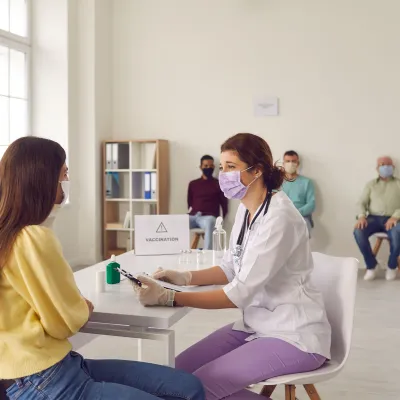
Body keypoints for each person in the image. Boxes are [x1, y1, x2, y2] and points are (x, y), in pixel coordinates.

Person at [0, 137, 205, 400]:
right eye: (64, 174)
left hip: (59, 367)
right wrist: (80, 306)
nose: (67, 181)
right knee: (189, 390)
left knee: (189, 387)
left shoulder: (11, 236)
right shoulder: (34, 238)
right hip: (48, 380)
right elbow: (67, 322)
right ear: (42, 179)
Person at [134, 133, 331, 400]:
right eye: (222, 167)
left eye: (231, 167)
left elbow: (238, 294)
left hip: (293, 333)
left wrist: (170, 298)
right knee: (174, 374)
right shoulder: (246, 209)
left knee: (197, 387)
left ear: (257, 170)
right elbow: (230, 267)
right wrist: (183, 276)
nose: (223, 174)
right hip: (256, 324)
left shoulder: (279, 217)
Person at [354, 156, 400, 281]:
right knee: (358, 231)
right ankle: (371, 265)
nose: (386, 167)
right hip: (373, 218)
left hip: (393, 219)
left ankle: (392, 266)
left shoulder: (398, 183)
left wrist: (395, 216)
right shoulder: (370, 185)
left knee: (398, 233)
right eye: (382, 164)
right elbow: (361, 202)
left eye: (388, 164)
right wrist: (362, 216)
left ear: (393, 167)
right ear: (377, 168)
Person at [188, 155, 228, 249]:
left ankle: (207, 253)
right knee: (178, 221)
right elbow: (189, 202)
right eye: (205, 166)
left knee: (210, 222)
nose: (208, 168)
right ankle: (180, 252)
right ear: (201, 167)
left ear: (214, 167)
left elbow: (224, 204)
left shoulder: (218, 184)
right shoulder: (193, 184)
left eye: (210, 166)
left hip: (208, 217)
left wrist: (221, 219)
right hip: (193, 216)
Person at [281, 150, 315, 236]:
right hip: (281, 216)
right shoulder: (278, 182)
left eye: (293, 161)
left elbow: (311, 204)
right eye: (288, 161)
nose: (291, 163)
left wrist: (296, 213)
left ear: (298, 163)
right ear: (283, 163)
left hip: (301, 217)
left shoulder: (306, 182)